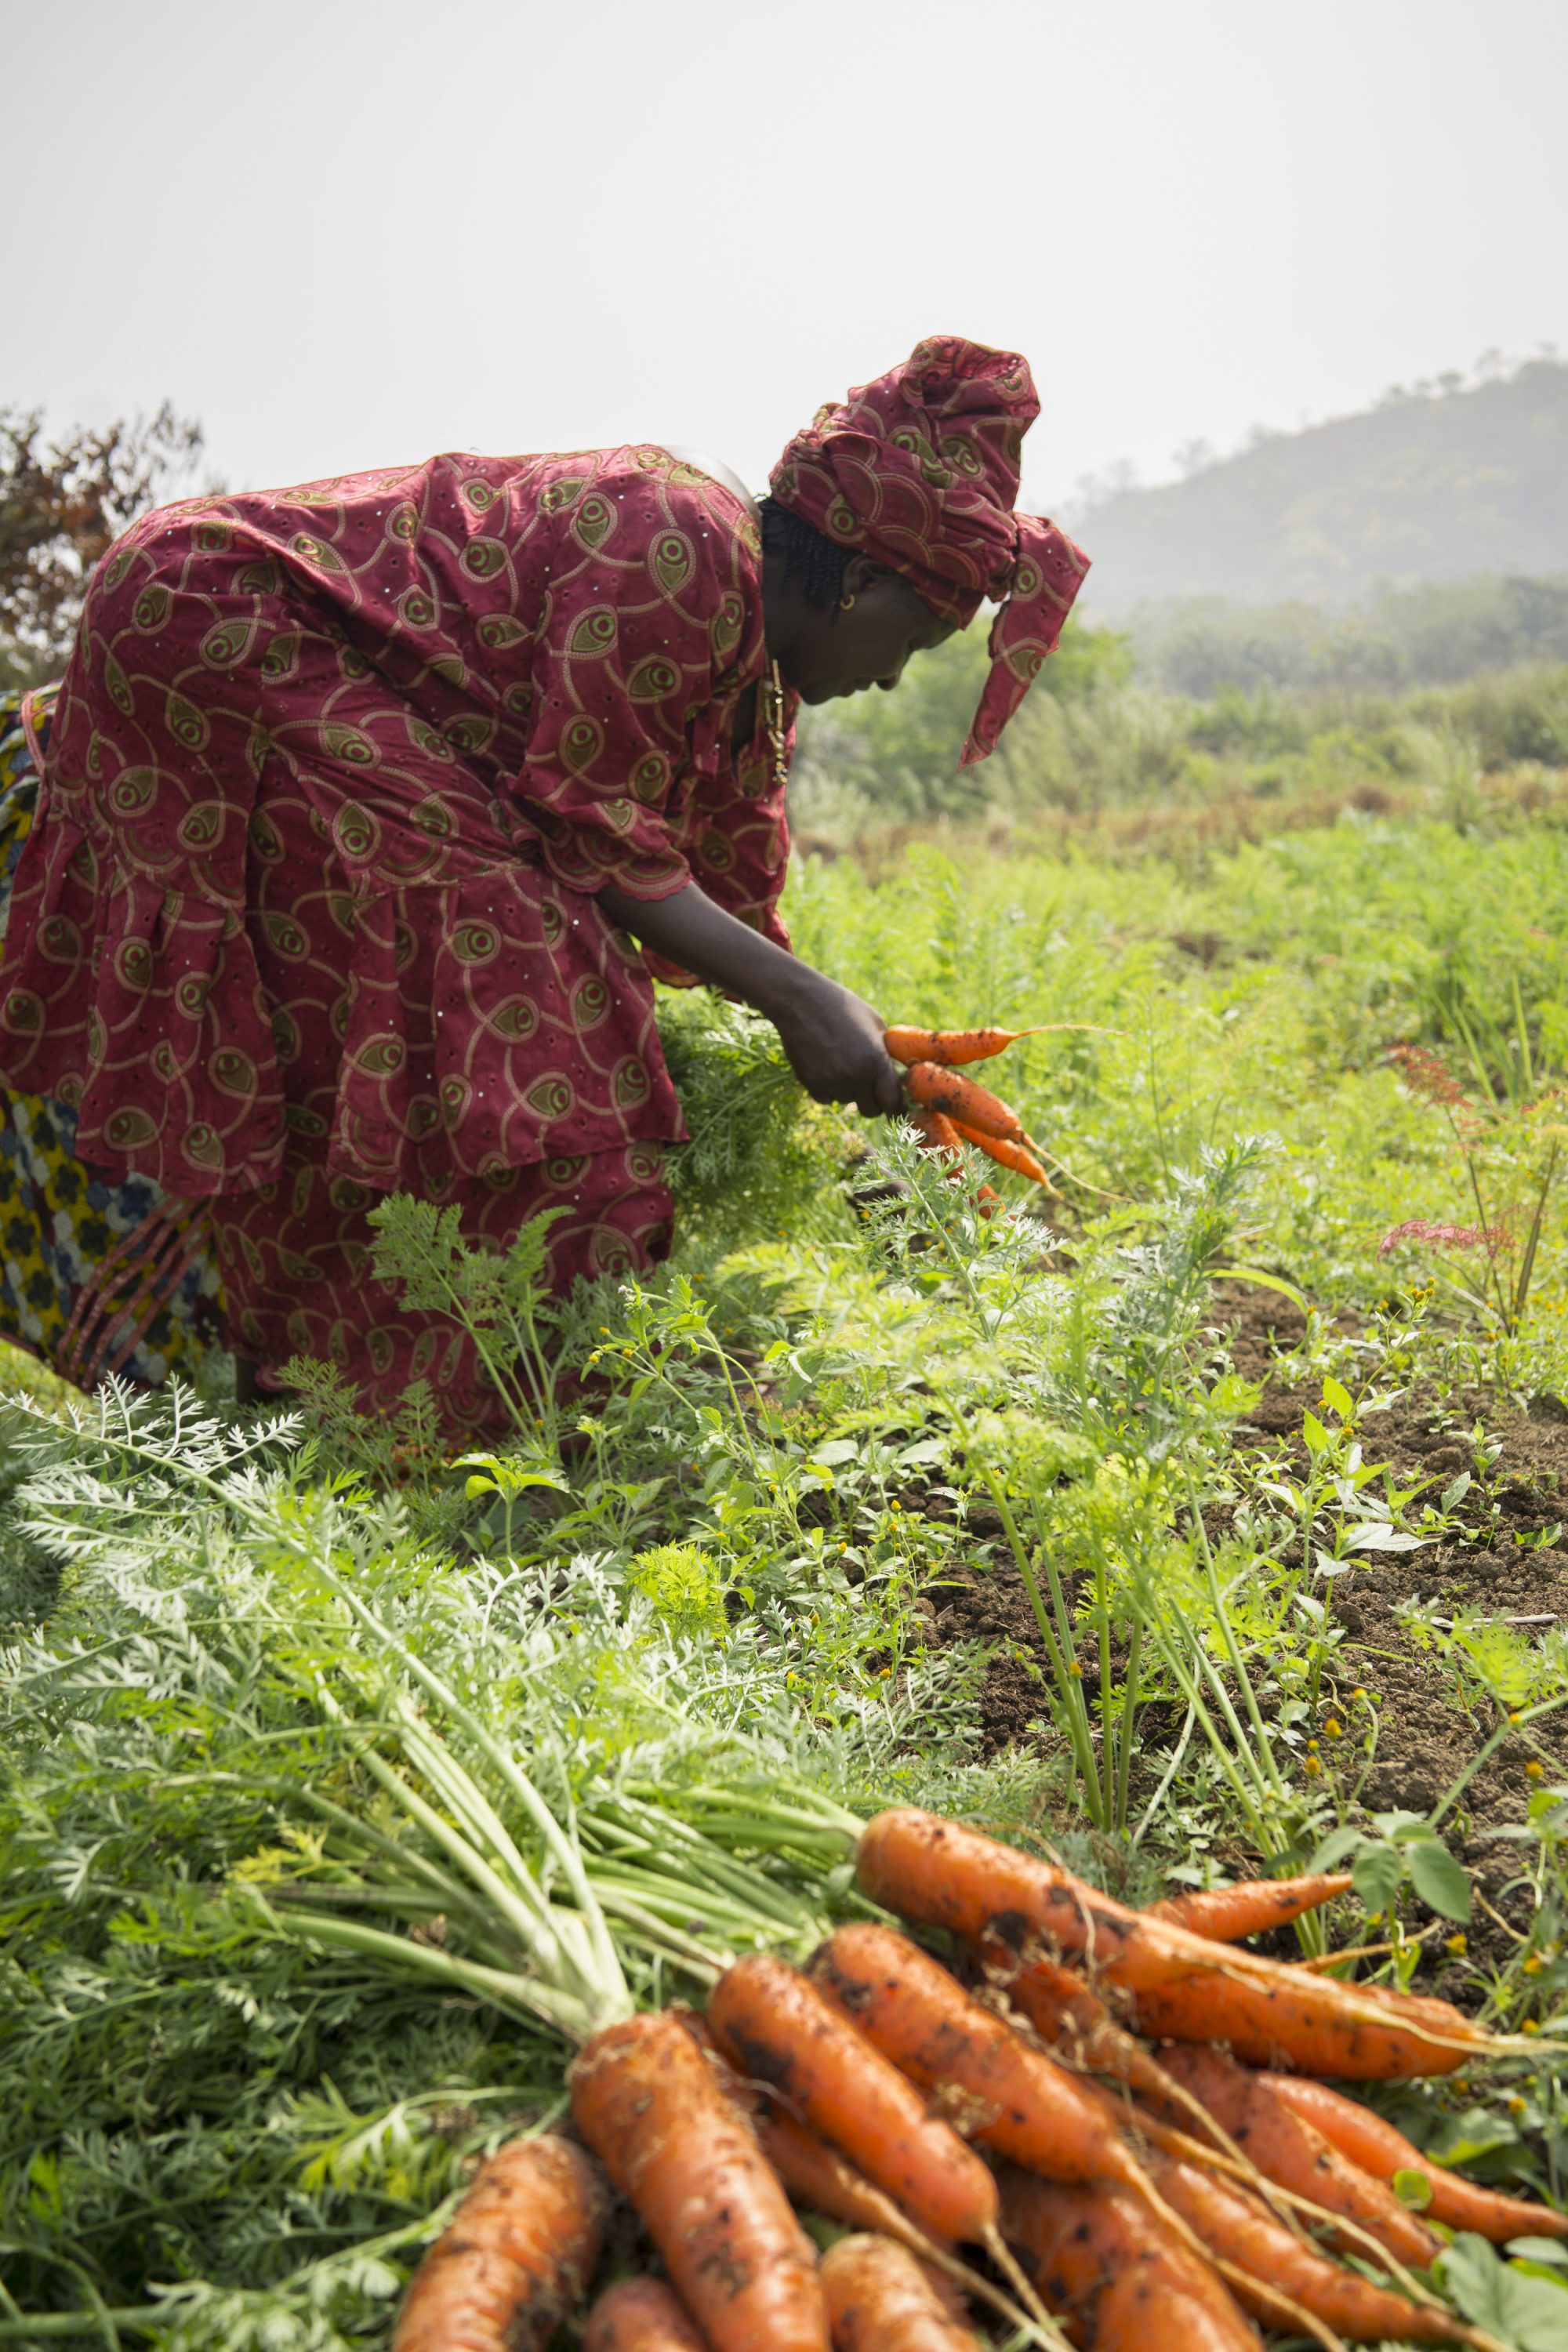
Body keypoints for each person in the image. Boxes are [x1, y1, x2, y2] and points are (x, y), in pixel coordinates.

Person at [0, 335, 1087, 1428]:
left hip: (254, 643)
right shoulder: (680, 540)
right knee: (521, 966)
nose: (894, 678)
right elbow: (595, 839)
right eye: (916, 643)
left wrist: (859, 1109)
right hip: (212, 619)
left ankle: (364, 1411)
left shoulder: (755, 693)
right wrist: (808, 1006)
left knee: (497, 984)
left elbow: (733, 915)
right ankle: (447, 1419)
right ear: (860, 579)